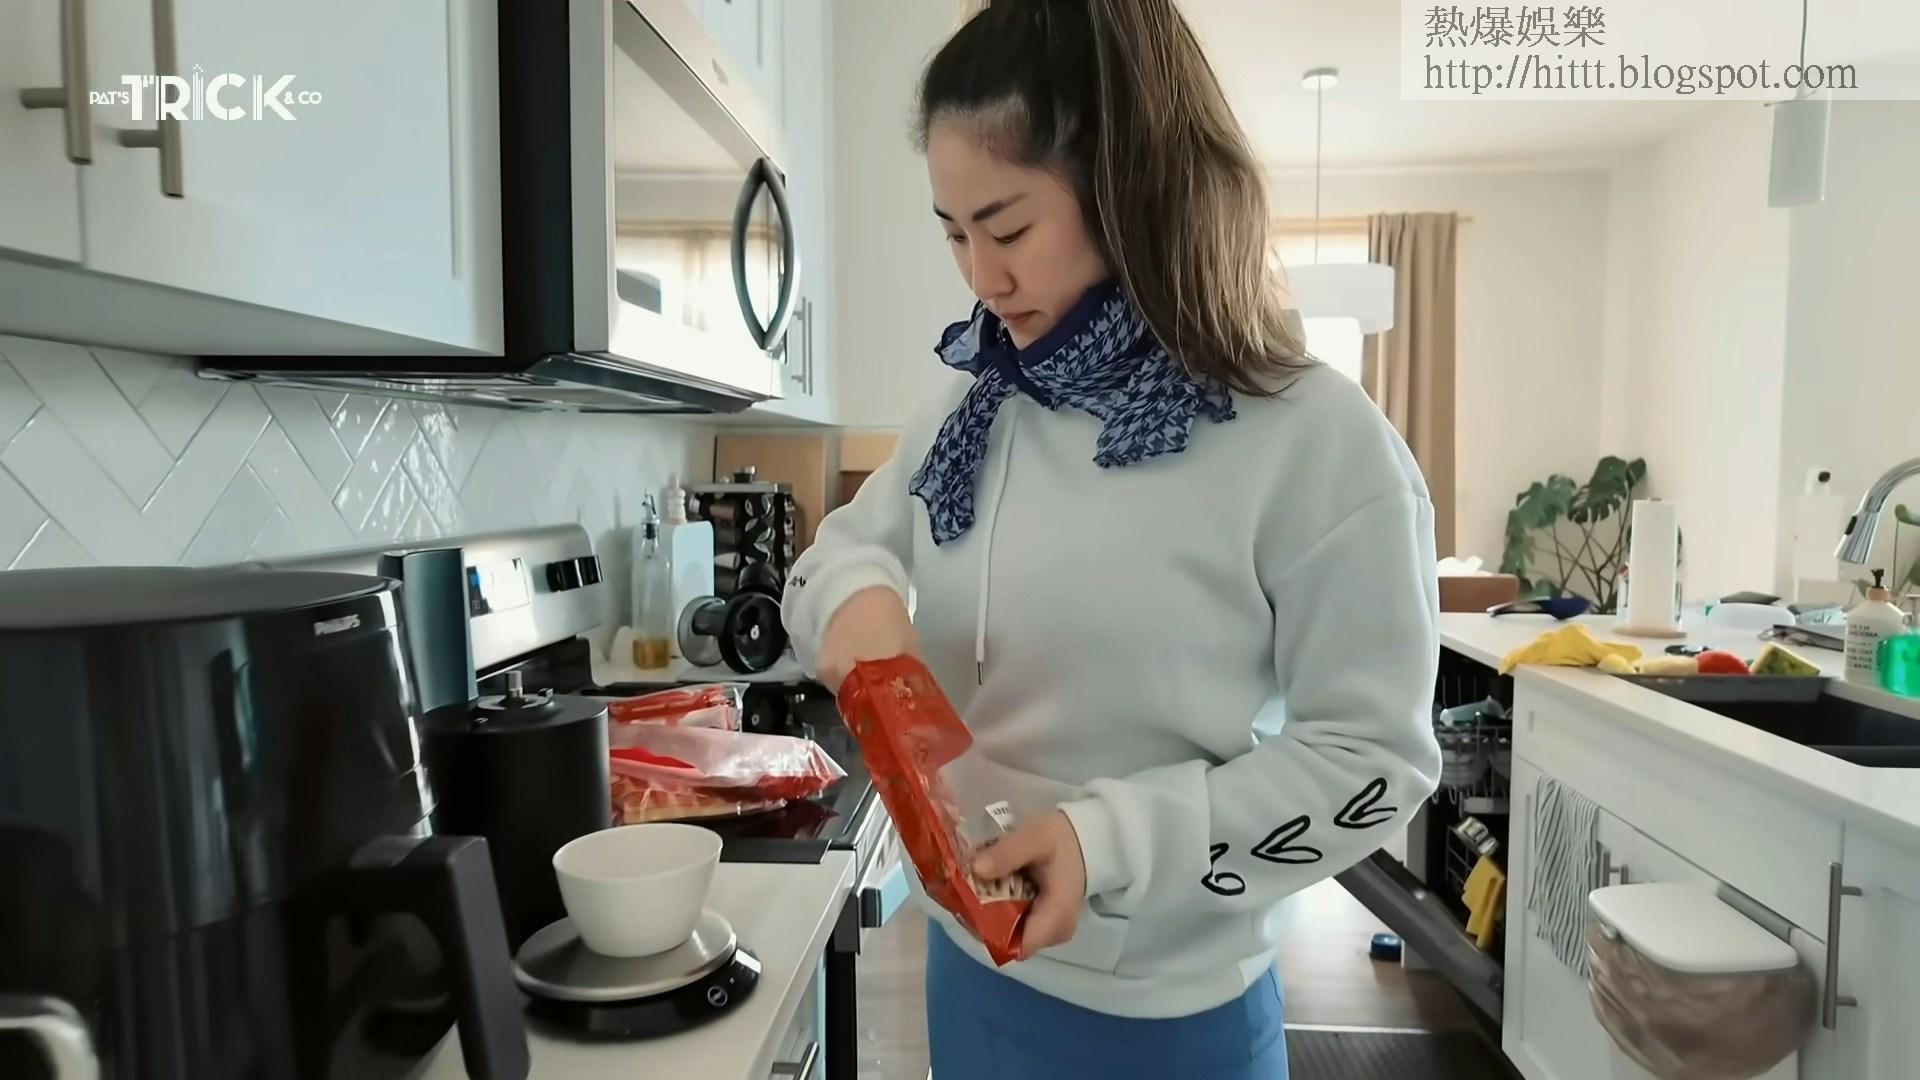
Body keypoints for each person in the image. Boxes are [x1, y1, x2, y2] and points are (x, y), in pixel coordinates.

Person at [781, 1, 1443, 1075]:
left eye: (1007, 230)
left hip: (1170, 1017)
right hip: (969, 962)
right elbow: (841, 551)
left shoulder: (1313, 439)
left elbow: (1375, 765)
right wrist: (857, 597)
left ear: (1132, 189)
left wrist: (1107, 843)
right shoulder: (975, 397)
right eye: (953, 233)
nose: (980, 278)